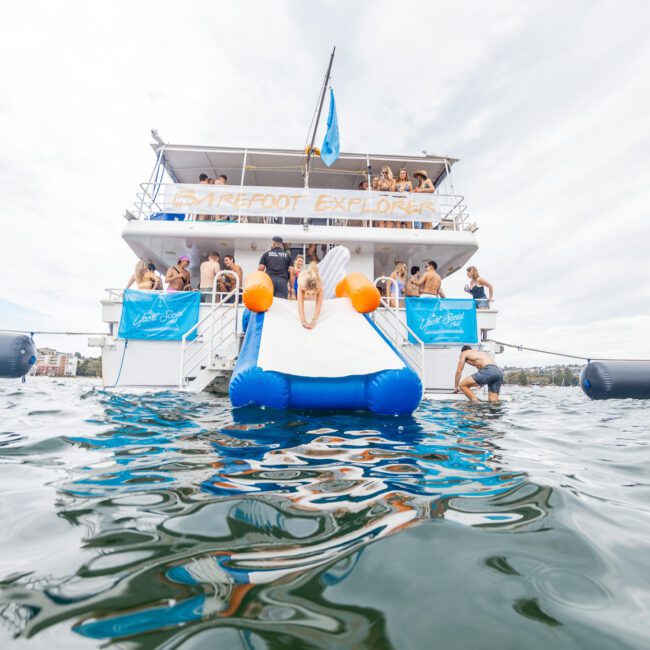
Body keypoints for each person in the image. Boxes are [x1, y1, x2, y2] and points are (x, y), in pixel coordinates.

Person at [297, 262, 324, 329]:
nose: (310, 297)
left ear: (316, 291)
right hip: (303, 277)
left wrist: (314, 321)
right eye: (308, 293)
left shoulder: (320, 288)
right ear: (304, 291)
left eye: (313, 294)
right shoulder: (301, 287)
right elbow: (300, 305)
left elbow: (318, 304)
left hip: (315, 281)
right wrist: (303, 321)